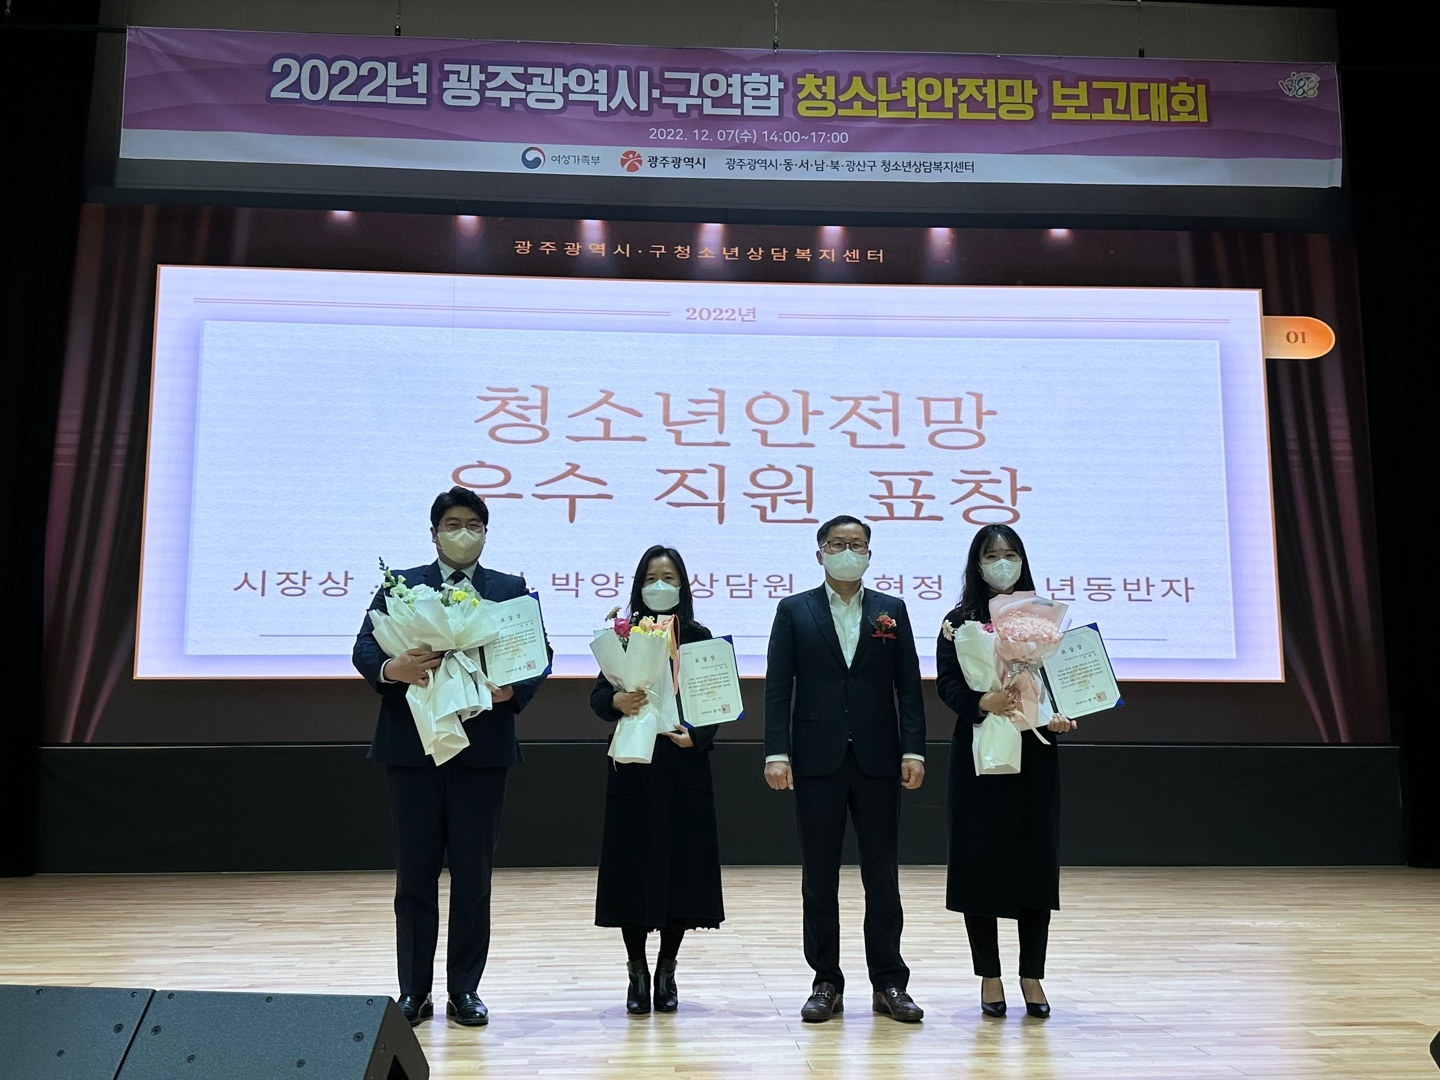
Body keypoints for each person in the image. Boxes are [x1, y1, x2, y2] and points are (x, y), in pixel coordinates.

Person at [352, 487, 550, 1028]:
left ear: (486, 533)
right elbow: (365, 647)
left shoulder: (510, 590)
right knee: (414, 876)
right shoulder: (402, 585)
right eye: (453, 524)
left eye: (473, 525)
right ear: (434, 533)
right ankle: (413, 992)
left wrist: (513, 690)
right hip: (412, 747)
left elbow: (538, 655)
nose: (463, 534)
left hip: (482, 750)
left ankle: (465, 990)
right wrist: (394, 669)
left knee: (472, 876)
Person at [762, 515, 927, 1024]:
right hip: (816, 760)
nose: (848, 552)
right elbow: (778, 687)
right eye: (838, 544)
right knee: (819, 877)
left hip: (879, 759)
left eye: (857, 544)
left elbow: (908, 687)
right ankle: (826, 981)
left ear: (870, 554)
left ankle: (890, 982)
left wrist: (914, 750)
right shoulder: (794, 610)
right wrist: (776, 752)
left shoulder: (891, 610)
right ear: (820, 553)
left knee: (883, 876)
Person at [934, 524, 1077, 1020]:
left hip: (1035, 751)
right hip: (979, 751)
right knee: (979, 863)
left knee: (1036, 860)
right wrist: (982, 701)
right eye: (991, 555)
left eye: (1010, 554)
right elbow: (947, 684)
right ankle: (989, 975)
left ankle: (1032, 975)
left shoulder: (1044, 618)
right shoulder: (958, 621)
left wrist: (1058, 713)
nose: (1002, 563)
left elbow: (1060, 682)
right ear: (976, 564)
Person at [589, 545, 725, 1016]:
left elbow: (716, 699)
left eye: (668, 577)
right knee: (631, 868)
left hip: (683, 764)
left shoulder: (700, 636)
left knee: (682, 869)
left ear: (683, 585)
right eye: (651, 578)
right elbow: (599, 696)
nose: (660, 585)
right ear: (638, 585)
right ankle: (637, 970)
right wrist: (616, 702)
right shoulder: (623, 633)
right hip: (634, 764)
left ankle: (667, 968)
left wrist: (699, 736)